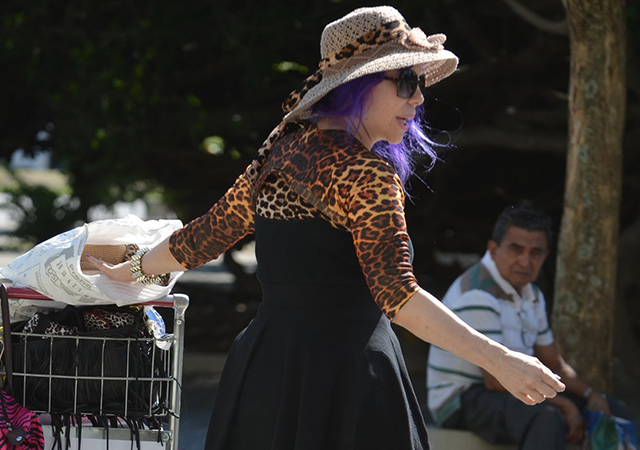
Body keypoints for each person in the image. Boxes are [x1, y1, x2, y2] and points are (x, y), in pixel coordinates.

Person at [88, 7, 564, 450]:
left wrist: (121, 272)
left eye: (420, 82)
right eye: (405, 81)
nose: (419, 96)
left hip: (267, 372)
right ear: (360, 84)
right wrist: (499, 359)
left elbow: (204, 236)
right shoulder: (367, 174)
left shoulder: (278, 154)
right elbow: (397, 297)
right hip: (351, 379)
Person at [427, 202, 627, 449]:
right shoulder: (478, 294)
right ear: (492, 249)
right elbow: (496, 379)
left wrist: (590, 395)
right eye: (516, 249)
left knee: (614, 409)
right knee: (545, 418)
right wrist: (564, 405)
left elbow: (554, 364)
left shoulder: (531, 294)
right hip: (460, 399)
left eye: (535, 253)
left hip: (510, 387)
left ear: (545, 256)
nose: (525, 260)